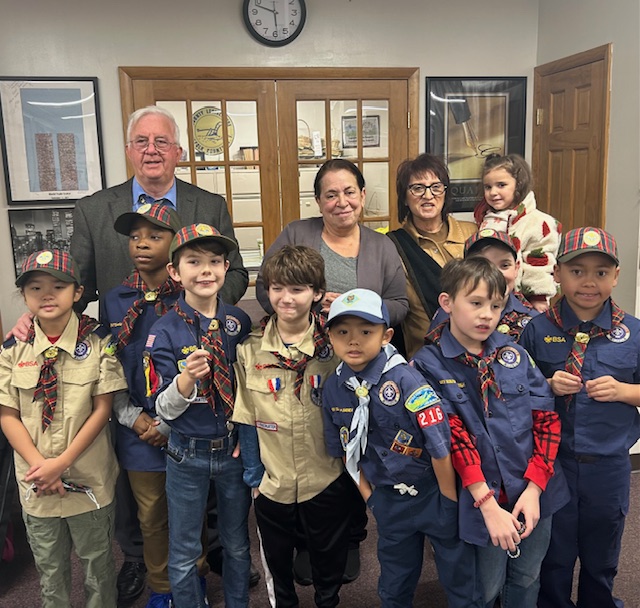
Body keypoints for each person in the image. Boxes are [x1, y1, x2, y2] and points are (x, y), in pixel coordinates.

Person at [8, 104, 250, 604]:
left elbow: (240, 275)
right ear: (128, 149)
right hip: (133, 389)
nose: (152, 150)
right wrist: (39, 316)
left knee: (204, 490)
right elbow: (73, 286)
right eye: (142, 141)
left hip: (200, 397)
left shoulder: (209, 204)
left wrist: (204, 309)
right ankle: (149, 566)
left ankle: (203, 564)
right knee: (145, 503)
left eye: (162, 141)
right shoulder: (95, 210)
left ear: (179, 151)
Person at [256, 158, 408, 581]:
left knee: (354, 445)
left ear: (362, 195)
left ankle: (351, 538)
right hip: (304, 357)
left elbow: (399, 304)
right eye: (330, 194)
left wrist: (354, 304)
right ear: (319, 200)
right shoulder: (296, 233)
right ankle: (310, 540)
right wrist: (301, 307)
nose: (341, 202)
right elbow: (265, 287)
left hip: (359, 364)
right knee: (312, 445)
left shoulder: (381, 246)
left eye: (349, 192)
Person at [411, 257, 569, 608]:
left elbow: (546, 420)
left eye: (496, 305)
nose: (487, 315)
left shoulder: (514, 353)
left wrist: (534, 488)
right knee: (484, 588)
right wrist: (486, 503)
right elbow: (452, 437)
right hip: (480, 498)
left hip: (533, 489)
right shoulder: (426, 365)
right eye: (476, 303)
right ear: (447, 303)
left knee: (528, 578)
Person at [322, 288, 483, 608]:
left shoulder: (408, 381)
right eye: (342, 332)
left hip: (433, 491)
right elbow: (346, 452)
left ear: (386, 335)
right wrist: (372, 500)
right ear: (330, 338)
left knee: (459, 575)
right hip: (388, 498)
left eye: (365, 331)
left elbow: (439, 447)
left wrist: (448, 501)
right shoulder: (334, 388)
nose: (353, 341)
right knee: (394, 579)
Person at [519, 227, 640, 608]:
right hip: (553, 466)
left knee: (602, 553)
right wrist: (546, 385)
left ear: (616, 276)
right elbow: (515, 395)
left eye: (601, 272)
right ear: (556, 273)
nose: (589, 282)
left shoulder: (634, 332)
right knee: (553, 555)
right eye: (577, 270)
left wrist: (624, 392)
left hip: (609, 466)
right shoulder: (537, 331)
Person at [0, 250, 128, 608]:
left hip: (87, 477)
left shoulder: (100, 342)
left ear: (77, 292)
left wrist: (62, 462)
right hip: (36, 482)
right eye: (35, 287)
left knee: (98, 565)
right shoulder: (13, 349)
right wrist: (42, 466)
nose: (47, 294)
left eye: (58, 285)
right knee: (50, 570)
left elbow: (103, 410)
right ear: (24, 297)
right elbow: (7, 414)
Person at [233, 245, 353, 608]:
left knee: (328, 560)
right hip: (274, 481)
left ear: (317, 293)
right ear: (267, 290)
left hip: (326, 475)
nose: (287, 298)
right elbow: (247, 418)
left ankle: (327, 601)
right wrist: (254, 478)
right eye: (278, 288)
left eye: (298, 289)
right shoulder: (249, 350)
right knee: (278, 563)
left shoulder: (335, 347)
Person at [101, 203, 206, 608]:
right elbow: (111, 364)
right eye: (135, 237)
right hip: (136, 428)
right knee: (151, 517)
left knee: (190, 513)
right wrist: (135, 418)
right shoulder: (115, 300)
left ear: (177, 245)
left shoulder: (191, 296)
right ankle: (163, 588)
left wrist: (167, 421)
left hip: (186, 424)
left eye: (155, 236)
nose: (142, 243)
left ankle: (192, 581)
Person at [146, 224, 253, 608]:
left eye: (214, 262)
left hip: (232, 450)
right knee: (185, 548)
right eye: (194, 262)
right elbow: (161, 410)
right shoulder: (164, 330)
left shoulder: (239, 323)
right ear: (175, 272)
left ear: (226, 268)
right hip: (185, 452)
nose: (205, 271)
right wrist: (185, 380)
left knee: (238, 543)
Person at [387, 153, 477, 359]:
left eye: (436, 187)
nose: (428, 195)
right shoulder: (392, 246)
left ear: (445, 192)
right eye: (417, 188)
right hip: (427, 359)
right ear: (404, 196)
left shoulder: (473, 234)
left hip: (478, 352)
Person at [474, 153, 561, 312]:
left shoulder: (539, 223)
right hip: (488, 300)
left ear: (519, 184)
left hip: (525, 302)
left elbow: (541, 262)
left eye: (501, 185)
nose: (493, 192)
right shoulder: (486, 220)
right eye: (488, 187)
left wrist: (538, 297)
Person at [430, 229, 537, 343]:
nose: (495, 274)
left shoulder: (533, 320)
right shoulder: (448, 312)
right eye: (483, 265)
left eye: (504, 265)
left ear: (516, 268)